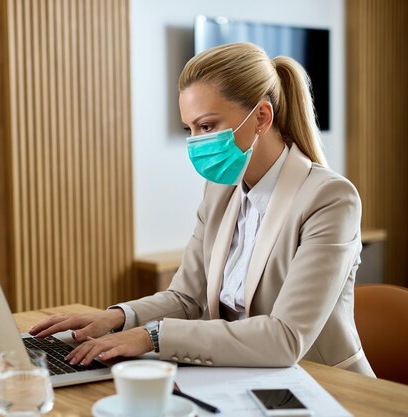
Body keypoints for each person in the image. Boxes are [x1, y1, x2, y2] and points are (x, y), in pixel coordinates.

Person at [29, 42, 375, 376]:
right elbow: (186, 297)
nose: (196, 142)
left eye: (207, 126)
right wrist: (117, 317)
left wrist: (152, 336)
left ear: (262, 117)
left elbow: (285, 339)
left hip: (325, 385)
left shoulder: (329, 199)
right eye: (190, 129)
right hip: (240, 377)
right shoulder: (219, 190)